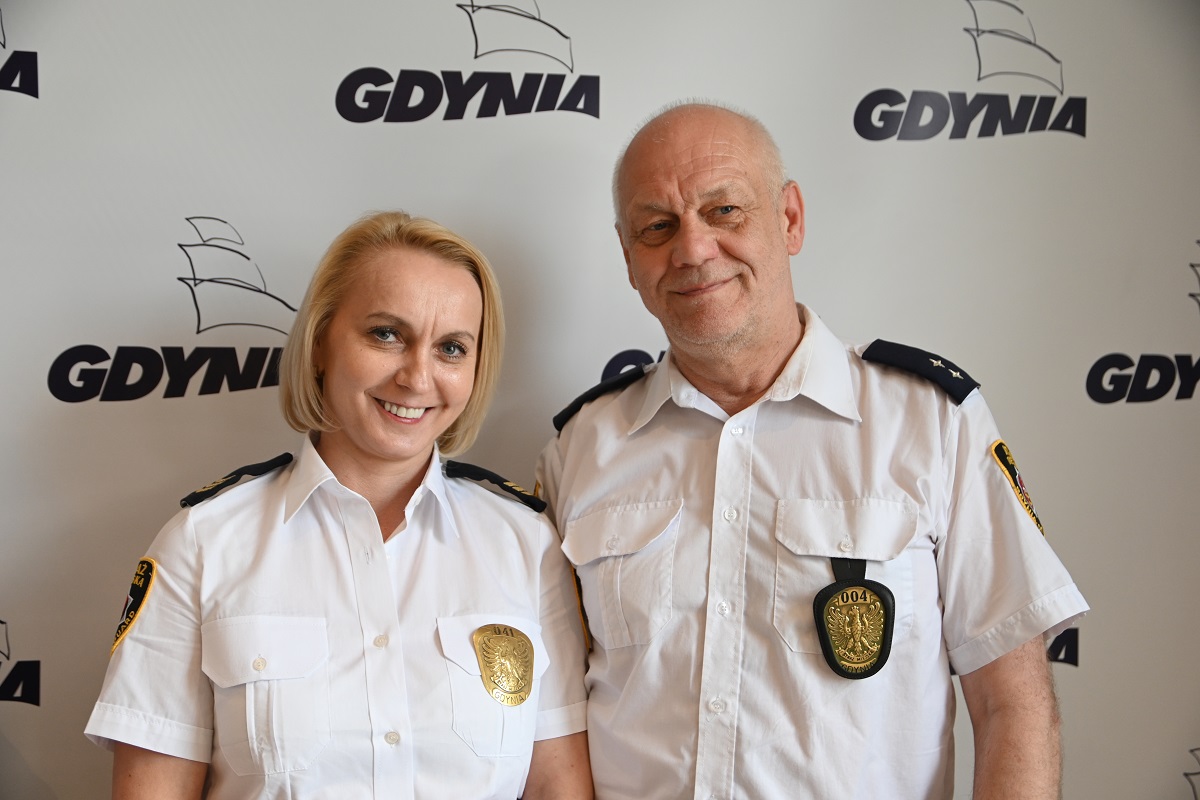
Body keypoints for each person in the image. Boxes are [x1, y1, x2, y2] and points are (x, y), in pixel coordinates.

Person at [535, 102, 1088, 799]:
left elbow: (1012, 705)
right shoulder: (580, 450)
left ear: (790, 219)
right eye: (657, 226)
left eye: (724, 211)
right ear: (628, 258)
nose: (693, 249)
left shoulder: (932, 423)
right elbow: (553, 729)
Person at [86, 211, 592, 799]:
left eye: (451, 348)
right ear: (320, 342)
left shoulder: (526, 544)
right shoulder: (203, 543)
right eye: (386, 335)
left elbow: (559, 786)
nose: (417, 377)